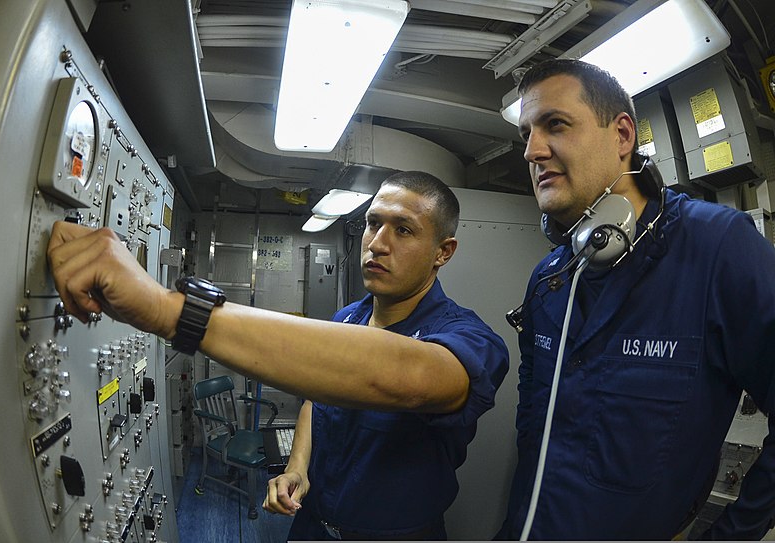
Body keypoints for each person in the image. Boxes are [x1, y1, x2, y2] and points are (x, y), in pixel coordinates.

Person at [47, 170, 509, 539]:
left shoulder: (471, 340)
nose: (377, 243)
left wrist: (168, 311)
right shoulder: (349, 315)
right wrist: (297, 466)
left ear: (442, 252)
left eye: (403, 230)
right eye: (373, 222)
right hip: (312, 527)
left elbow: (405, 378)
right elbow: (316, 396)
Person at [495, 59, 775, 540]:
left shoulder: (716, 248)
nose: (532, 151)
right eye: (525, 135)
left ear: (622, 135)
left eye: (555, 125)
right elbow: (533, 419)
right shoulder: (552, 276)